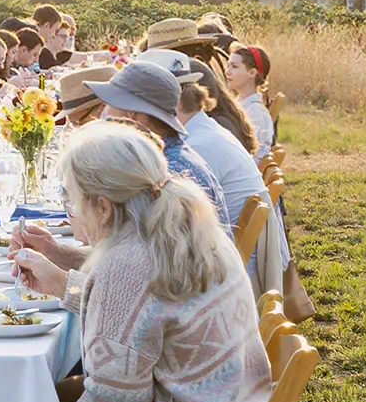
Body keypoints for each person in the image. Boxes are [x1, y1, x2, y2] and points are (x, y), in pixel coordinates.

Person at [11, 122, 285, 402]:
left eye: (71, 200)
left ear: (103, 207)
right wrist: (59, 263)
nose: (70, 210)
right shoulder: (185, 227)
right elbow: (145, 313)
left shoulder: (125, 264)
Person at [141, 49, 271, 280]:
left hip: (225, 273)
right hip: (231, 261)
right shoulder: (204, 131)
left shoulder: (194, 147)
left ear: (173, 102)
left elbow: (170, 233)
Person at [87, 61, 229, 225]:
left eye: (108, 104)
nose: (104, 114)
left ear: (129, 115)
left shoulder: (165, 174)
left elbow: (142, 245)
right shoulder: (172, 155)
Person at [225, 45, 278, 161]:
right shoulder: (238, 104)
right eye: (227, 66)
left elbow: (254, 158)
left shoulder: (256, 113)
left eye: (234, 67)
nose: (227, 72)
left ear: (252, 73)